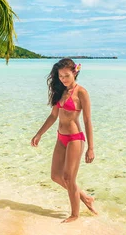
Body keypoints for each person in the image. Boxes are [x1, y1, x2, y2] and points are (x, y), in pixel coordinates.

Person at [31, 58, 97, 223]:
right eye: (60, 76)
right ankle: (85, 198)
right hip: (60, 138)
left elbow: (88, 120)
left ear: (75, 72)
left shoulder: (81, 92)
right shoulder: (60, 91)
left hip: (75, 139)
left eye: (66, 75)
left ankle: (75, 214)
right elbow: (54, 115)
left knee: (69, 178)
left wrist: (91, 148)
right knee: (55, 176)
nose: (63, 79)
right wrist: (39, 134)